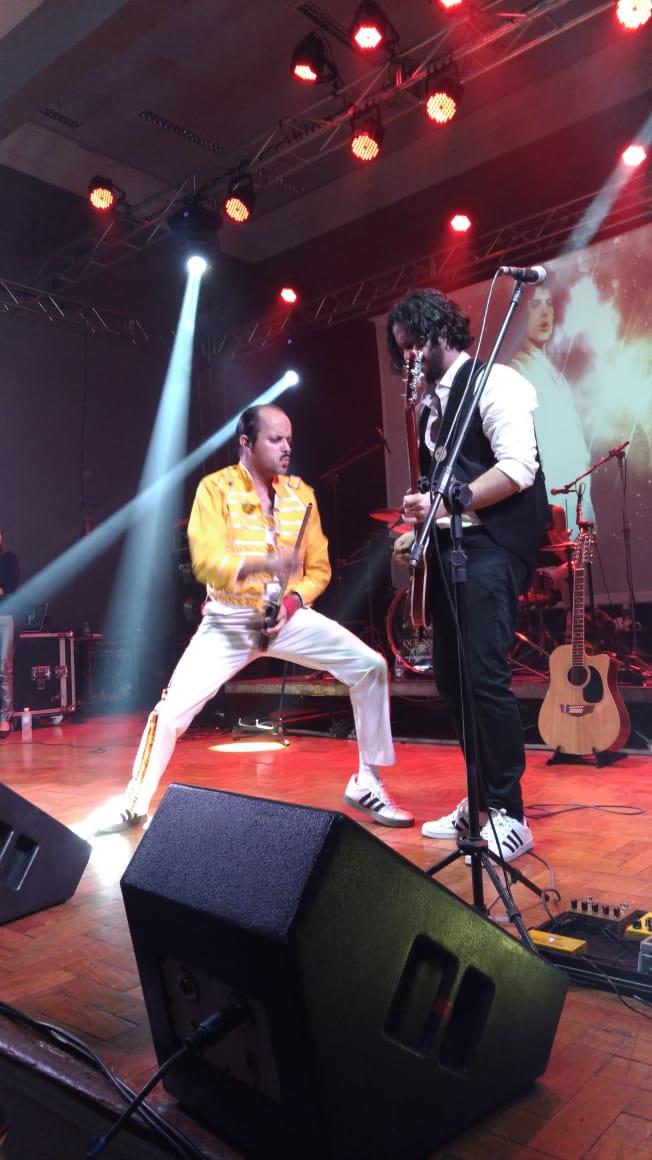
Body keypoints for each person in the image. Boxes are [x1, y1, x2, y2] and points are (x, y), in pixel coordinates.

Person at [92, 404, 413, 833]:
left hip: (287, 617)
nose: (286, 448)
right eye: (275, 439)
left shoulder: (302, 495)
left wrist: (292, 605)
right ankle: (134, 801)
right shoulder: (214, 489)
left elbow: (319, 570)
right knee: (170, 714)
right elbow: (206, 561)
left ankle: (367, 782)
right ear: (246, 443)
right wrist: (263, 563)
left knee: (371, 666)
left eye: (289, 440)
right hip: (229, 620)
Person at [387, 289, 549, 863]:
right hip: (453, 549)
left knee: (483, 676)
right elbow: (442, 490)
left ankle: (510, 813)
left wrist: (449, 500)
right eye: (401, 350)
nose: (408, 357)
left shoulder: (495, 382)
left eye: (413, 344)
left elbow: (517, 468)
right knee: (453, 682)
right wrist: (420, 525)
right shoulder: (430, 408)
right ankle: (480, 802)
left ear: (439, 331)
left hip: (494, 546)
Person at [510, 283, 595, 525]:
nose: (544, 312)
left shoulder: (555, 373)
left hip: (577, 498)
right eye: (535, 305)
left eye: (548, 304)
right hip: (553, 499)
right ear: (521, 315)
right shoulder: (517, 371)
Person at [0, 529, 20, 737]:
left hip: (3, 617)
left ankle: (5, 718)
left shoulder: (8, 559)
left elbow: (9, 585)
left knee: (3, 669)